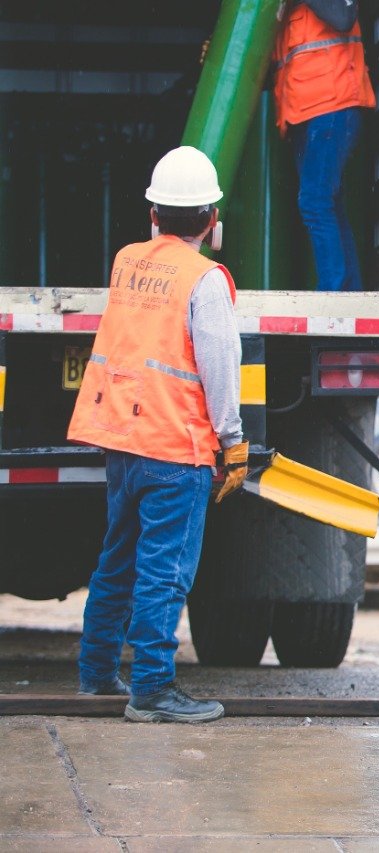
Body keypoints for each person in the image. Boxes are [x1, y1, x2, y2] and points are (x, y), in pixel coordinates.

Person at [68, 146, 247, 723]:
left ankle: (96, 676)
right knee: (164, 571)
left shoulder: (127, 261)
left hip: (123, 439)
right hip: (177, 447)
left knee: (117, 560)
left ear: (153, 214)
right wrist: (233, 441)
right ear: (211, 221)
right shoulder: (206, 280)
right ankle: (151, 690)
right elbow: (220, 366)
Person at [272, 0, 376, 291]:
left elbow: (343, 17)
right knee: (328, 202)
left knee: (315, 201)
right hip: (303, 114)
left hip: (332, 108)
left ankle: (333, 292)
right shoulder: (287, 12)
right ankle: (347, 291)